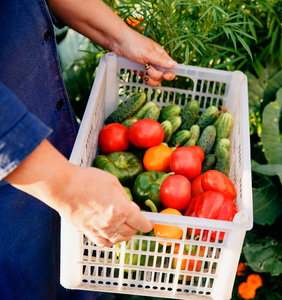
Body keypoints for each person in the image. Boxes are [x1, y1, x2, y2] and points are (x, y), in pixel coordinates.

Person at [0, 0, 177, 299]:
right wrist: (63, 184)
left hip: (52, 139)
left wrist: (119, 36)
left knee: (78, 272)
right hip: (12, 187)